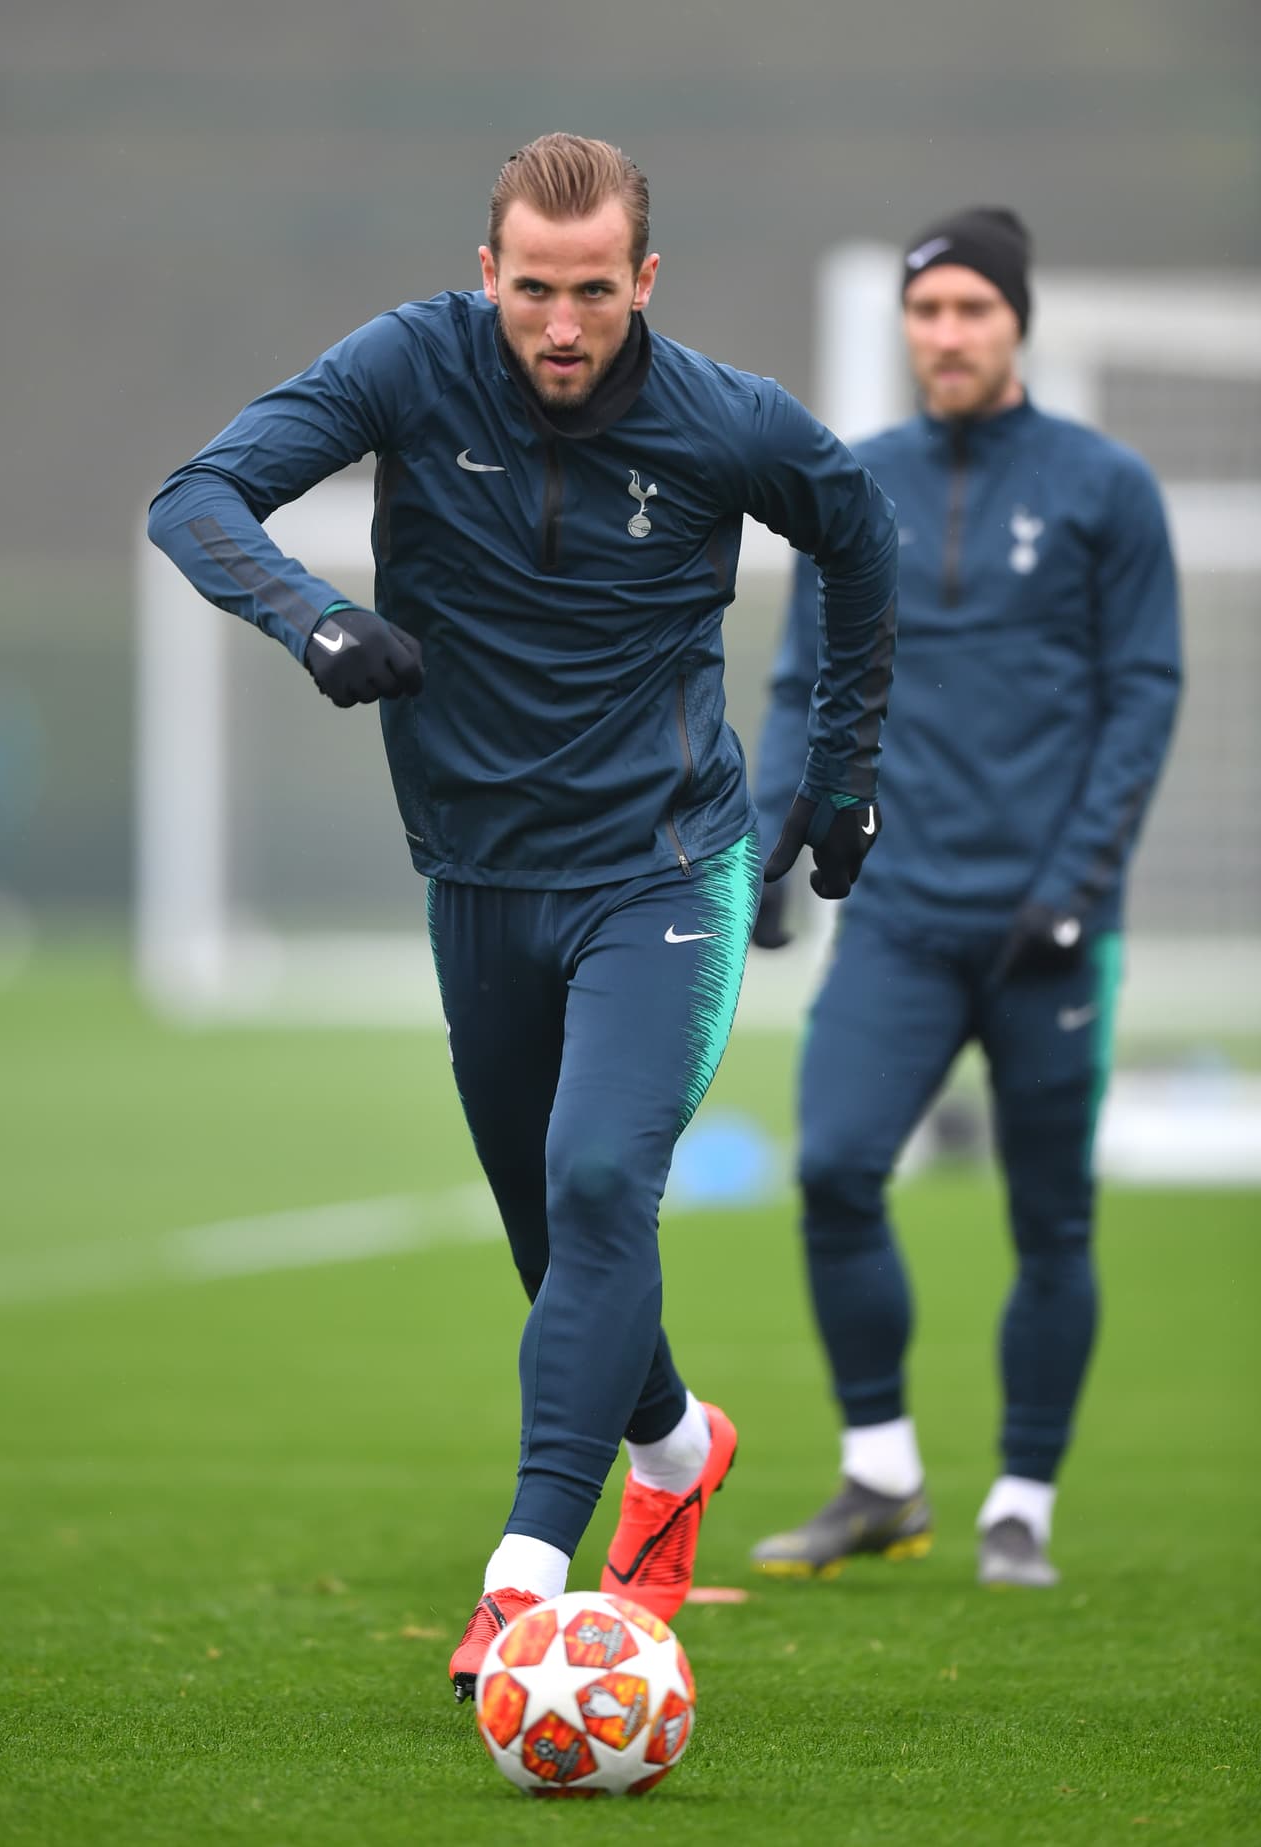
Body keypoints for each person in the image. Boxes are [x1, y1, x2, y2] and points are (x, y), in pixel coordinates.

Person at [147, 133, 897, 1694]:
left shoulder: (722, 418)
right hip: (480, 879)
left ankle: (526, 1576)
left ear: (645, 282)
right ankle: (681, 1448)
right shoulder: (407, 367)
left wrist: (843, 773)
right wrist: (317, 617)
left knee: (601, 1180)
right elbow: (197, 497)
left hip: (665, 866)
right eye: (535, 291)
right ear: (487, 273)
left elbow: (857, 532)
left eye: (597, 293)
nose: (564, 327)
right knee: (553, 1233)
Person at [749, 206, 1180, 1587]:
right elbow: (800, 682)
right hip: (903, 915)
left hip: (1051, 930)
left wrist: (1077, 885)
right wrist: (771, 847)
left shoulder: (1104, 488)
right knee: (831, 1169)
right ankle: (881, 1477)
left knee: (1051, 1222)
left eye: (972, 312)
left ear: (1017, 323)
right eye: (928, 314)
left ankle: (1022, 1506)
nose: (947, 336)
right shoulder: (852, 484)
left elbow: (1143, 694)